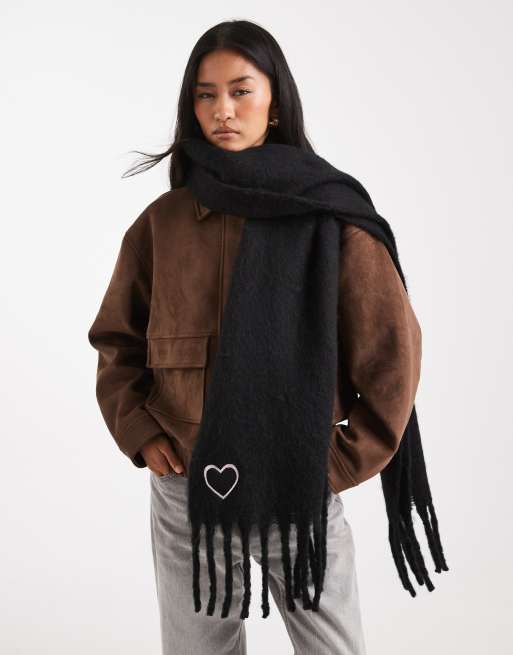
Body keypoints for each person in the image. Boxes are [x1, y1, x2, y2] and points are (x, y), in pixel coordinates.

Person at [88, 19, 425, 655]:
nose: (223, 110)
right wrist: (140, 432)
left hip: (297, 485)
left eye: (241, 91)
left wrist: (333, 465)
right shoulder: (162, 223)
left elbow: (392, 359)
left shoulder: (332, 217)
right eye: (206, 94)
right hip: (188, 487)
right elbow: (117, 341)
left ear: (275, 102)